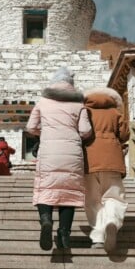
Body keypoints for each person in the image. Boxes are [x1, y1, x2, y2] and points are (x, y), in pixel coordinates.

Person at [26, 67, 92, 251]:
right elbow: (85, 131)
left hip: (48, 151)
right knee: (68, 193)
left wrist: (45, 132)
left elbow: (31, 127)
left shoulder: (43, 101)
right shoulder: (80, 104)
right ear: (71, 84)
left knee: (45, 188)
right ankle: (64, 233)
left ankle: (46, 220)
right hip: (72, 152)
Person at [82, 87, 129, 252]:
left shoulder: (84, 112)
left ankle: (97, 237)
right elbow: (125, 135)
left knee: (93, 200)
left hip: (90, 161)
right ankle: (112, 222)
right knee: (114, 197)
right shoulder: (115, 113)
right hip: (112, 160)